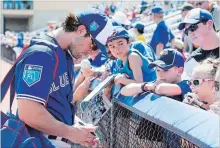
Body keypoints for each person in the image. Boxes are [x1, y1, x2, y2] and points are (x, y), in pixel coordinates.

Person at [13, 10, 114, 147]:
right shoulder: (42, 53)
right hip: (39, 140)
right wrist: (71, 132)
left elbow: (57, 105)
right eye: (93, 44)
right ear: (80, 30)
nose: (90, 51)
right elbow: (29, 112)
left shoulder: (64, 54)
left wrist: (78, 128)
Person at [121, 48, 191, 102]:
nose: (160, 74)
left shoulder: (186, 84)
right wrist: (145, 86)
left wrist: (153, 87)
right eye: (158, 70)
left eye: (165, 70)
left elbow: (161, 89)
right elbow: (124, 91)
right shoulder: (155, 83)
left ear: (179, 71)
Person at [178, 8, 219, 79]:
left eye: (193, 27)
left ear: (209, 24)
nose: (190, 33)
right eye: (186, 31)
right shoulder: (193, 61)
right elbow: (187, 85)